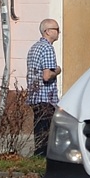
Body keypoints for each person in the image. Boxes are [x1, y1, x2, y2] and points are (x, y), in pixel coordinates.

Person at [27, 18, 61, 156]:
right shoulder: (47, 48)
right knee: (47, 131)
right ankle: (43, 157)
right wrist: (57, 71)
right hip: (45, 97)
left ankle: (39, 156)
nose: (59, 32)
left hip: (35, 96)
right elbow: (46, 76)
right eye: (56, 29)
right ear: (47, 31)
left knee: (39, 129)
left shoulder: (34, 47)